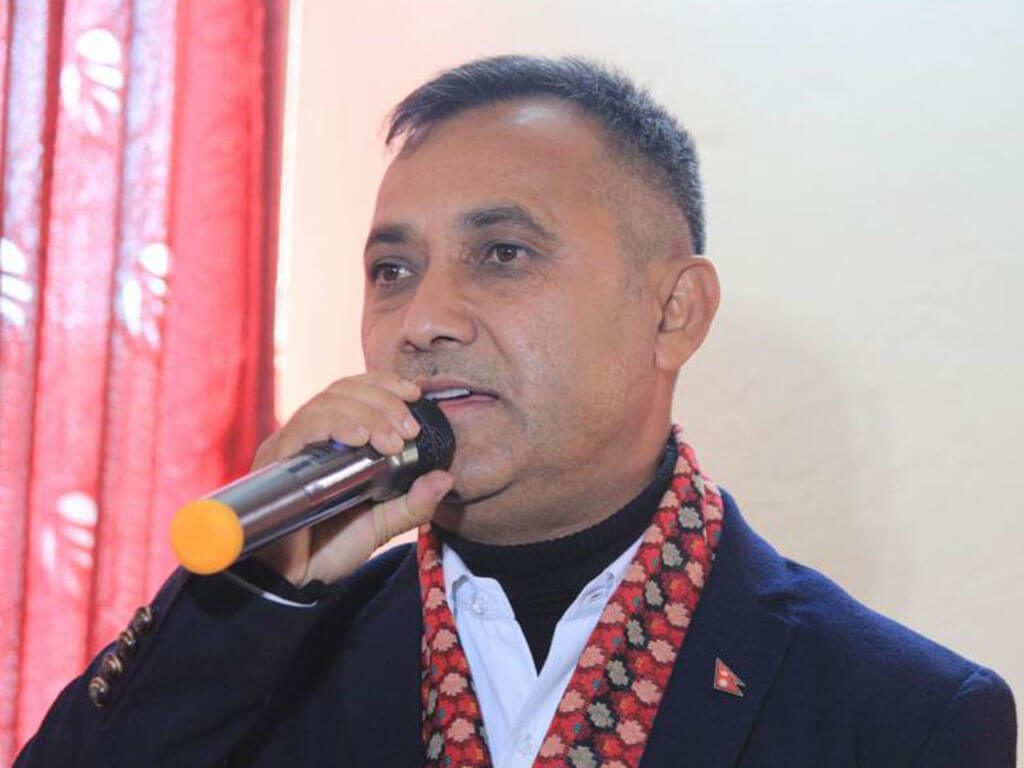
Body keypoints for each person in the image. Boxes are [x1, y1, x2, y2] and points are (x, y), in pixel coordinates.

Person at [15, 55, 1016, 768]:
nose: (424, 320)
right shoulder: (258, 658)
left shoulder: (901, 715)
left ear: (674, 312)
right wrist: (253, 597)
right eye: (392, 271)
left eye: (502, 254)